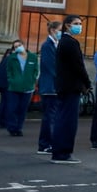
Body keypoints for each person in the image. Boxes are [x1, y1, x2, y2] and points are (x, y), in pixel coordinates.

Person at [52, 16, 90, 164]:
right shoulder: (70, 43)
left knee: (63, 118)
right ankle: (63, 152)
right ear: (67, 26)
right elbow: (78, 66)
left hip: (65, 85)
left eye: (80, 24)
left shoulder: (64, 42)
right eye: (76, 24)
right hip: (70, 86)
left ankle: (60, 151)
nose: (79, 26)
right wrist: (87, 82)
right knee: (68, 121)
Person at [4, 39, 39, 138]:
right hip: (14, 87)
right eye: (15, 47)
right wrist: (11, 80)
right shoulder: (12, 58)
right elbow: (9, 71)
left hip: (27, 87)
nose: (18, 47)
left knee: (22, 109)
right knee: (12, 108)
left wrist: (32, 80)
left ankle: (19, 128)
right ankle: (12, 128)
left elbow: (36, 70)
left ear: (23, 45)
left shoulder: (33, 57)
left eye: (19, 45)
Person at [37, 20, 61, 154]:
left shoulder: (56, 45)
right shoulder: (47, 45)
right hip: (50, 86)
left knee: (53, 117)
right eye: (60, 29)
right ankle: (45, 144)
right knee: (49, 117)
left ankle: (49, 143)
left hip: (54, 86)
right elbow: (51, 66)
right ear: (53, 30)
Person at [0, 46, 12, 130]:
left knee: (3, 103)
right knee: (8, 104)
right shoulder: (9, 61)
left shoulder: (2, 61)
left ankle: (1, 121)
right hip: (8, 86)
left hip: (2, 85)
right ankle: (5, 121)